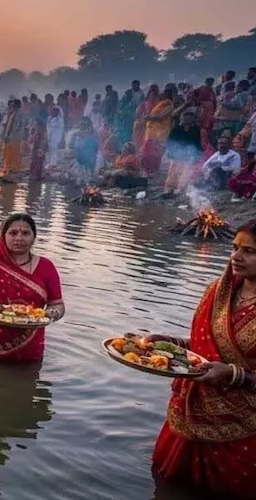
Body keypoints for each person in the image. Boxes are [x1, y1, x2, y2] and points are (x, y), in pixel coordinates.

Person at [149, 221, 256, 498]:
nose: (236, 256)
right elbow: (202, 348)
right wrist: (166, 343)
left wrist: (232, 375)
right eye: (234, 248)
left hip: (242, 432)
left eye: (249, 251)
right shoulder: (219, 291)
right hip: (189, 417)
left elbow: (225, 363)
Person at [0, 214, 65, 362]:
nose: (19, 238)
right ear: (3, 236)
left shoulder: (46, 267)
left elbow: (58, 304)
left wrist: (52, 313)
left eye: (26, 233)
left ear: (34, 238)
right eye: (13, 233)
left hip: (30, 349)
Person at [163, 111, 205, 197]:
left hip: (189, 154)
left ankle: (180, 188)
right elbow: (170, 142)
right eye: (186, 118)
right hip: (176, 154)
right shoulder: (176, 129)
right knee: (173, 172)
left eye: (190, 118)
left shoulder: (195, 130)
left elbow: (197, 143)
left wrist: (197, 154)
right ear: (182, 118)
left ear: (192, 119)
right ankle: (169, 188)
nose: (187, 120)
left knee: (185, 172)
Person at [141, 88, 176, 176]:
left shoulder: (169, 104)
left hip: (160, 132)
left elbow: (162, 116)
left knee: (155, 151)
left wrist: (149, 117)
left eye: (164, 93)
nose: (161, 94)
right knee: (148, 151)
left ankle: (153, 170)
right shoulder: (160, 103)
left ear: (168, 94)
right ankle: (148, 170)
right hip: (152, 131)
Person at [2, 100, 24, 174]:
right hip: (12, 136)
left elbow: (15, 127)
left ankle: (13, 168)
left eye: (13, 105)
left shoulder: (18, 114)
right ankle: (10, 167)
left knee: (13, 152)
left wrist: (8, 136)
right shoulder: (14, 113)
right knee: (9, 152)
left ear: (17, 105)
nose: (12, 106)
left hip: (14, 136)